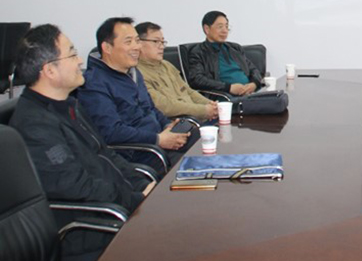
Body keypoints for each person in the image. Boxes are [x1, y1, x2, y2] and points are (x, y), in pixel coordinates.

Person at [10, 24, 153, 212]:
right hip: (98, 217)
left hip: (121, 203)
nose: (79, 61)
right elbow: (75, 186)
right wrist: (135, 199)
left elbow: (106, 154)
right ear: (50, 70)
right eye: (72, 55)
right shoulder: (34, 124)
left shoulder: (70, 106)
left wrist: (143, 186)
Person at [78, 17, 194, 173]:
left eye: (137, 41)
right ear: (107, 47)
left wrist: (168, 125)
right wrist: (158, 139)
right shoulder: (94, 83)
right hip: (139, 153)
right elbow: (112, 132)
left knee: (201, 139)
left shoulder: (133, 72)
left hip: (157, 141)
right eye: (128, 42)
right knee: (196, 163)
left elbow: (151, 108)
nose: (136, 47)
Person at [135, 21, 218, 121]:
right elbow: (164, 106)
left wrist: (210, 104)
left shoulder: (167, 65)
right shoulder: (137, 73)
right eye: (156, 41)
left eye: (162, 42)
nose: (161, 46)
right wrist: (203, 110)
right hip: (176, 123)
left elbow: (189, 91)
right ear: (139, 43)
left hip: (196, 117)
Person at [185, 10, 264, 98]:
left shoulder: (235, 48)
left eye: (226, 26)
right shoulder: (198, 52)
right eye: (220, 27)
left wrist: (254, 84)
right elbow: (196, 79)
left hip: (249, 94)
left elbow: (254, 70)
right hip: (224, 97)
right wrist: (228, 88)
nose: (225, 31)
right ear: (207, 29)